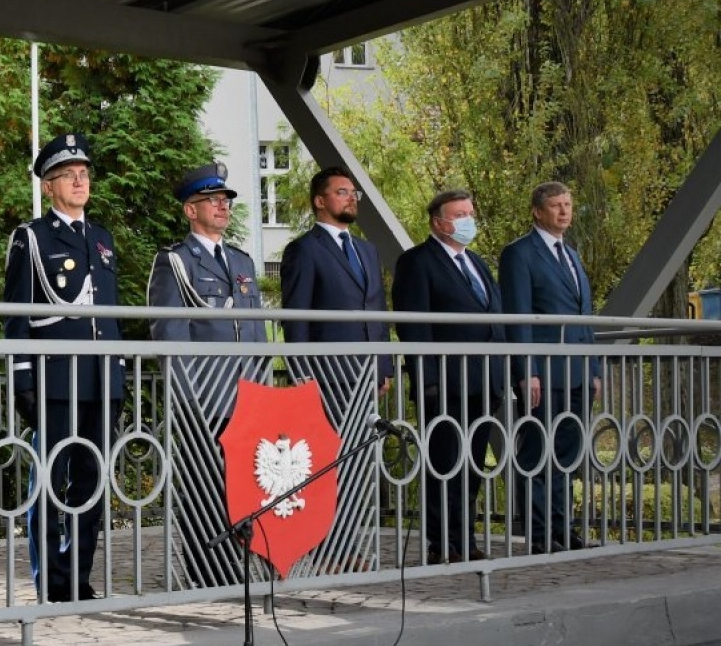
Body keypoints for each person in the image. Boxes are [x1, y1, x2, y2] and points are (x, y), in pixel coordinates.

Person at [4, 133, 125, 603]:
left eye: (84, 173)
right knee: (49, 484)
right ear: (48, 186)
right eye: (68, 175)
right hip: (54, 379)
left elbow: (109, 315)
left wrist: (117, 376)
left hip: (99, 379)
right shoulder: (32, 238)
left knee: (91, 483)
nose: (79, 181)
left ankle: (78, 576)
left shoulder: (102, 238)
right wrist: (22, 378)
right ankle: (51, 581)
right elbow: (17, 315)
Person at [391, 190, 505, 564]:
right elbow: (414, 328)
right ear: (438, 222)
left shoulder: (477, 263)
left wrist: (502, 374)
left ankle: (465, 539)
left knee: (471, 466)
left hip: (484, 383)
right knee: (444, 465)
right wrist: (428, 381)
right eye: (459, 215)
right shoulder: (417, 262)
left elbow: (495, 319)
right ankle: (441, 543)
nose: (468, 220)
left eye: (470, 213)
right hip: (445, 384)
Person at [498, 181, 601, 553]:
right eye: (556, 205)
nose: (564, 211)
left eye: (568, 204)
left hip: (577, 370)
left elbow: (584, 316)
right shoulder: (519, 254)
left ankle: (563, 529)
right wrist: (526, 370)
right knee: (537, 453)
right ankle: (539, 535)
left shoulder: (571, 255)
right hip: (543, 372)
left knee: (566, 455)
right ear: (537, 211)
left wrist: (594, 369)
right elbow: (519, 315)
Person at [147, 161, 267, 423]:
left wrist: (264, 386)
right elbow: (170, 335)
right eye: (213, 200)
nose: (223, 207)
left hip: (251, 396)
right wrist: (189, 400)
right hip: (208, 398)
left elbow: (258, 332)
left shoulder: (242, 261)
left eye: (226, 200)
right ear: (191, 210)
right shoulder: (176, 260)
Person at [279, 165, 394, 411]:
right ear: (320, 201)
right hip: (327, 377)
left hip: (369, 374)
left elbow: (378, 310)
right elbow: (295, 317)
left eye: (354, 193)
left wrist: (384, 366)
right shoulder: (304, 249)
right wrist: (300, 374)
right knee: (333, 438)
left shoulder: (368, 250)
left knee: (365, 436)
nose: (352, 198)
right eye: (342, 192)